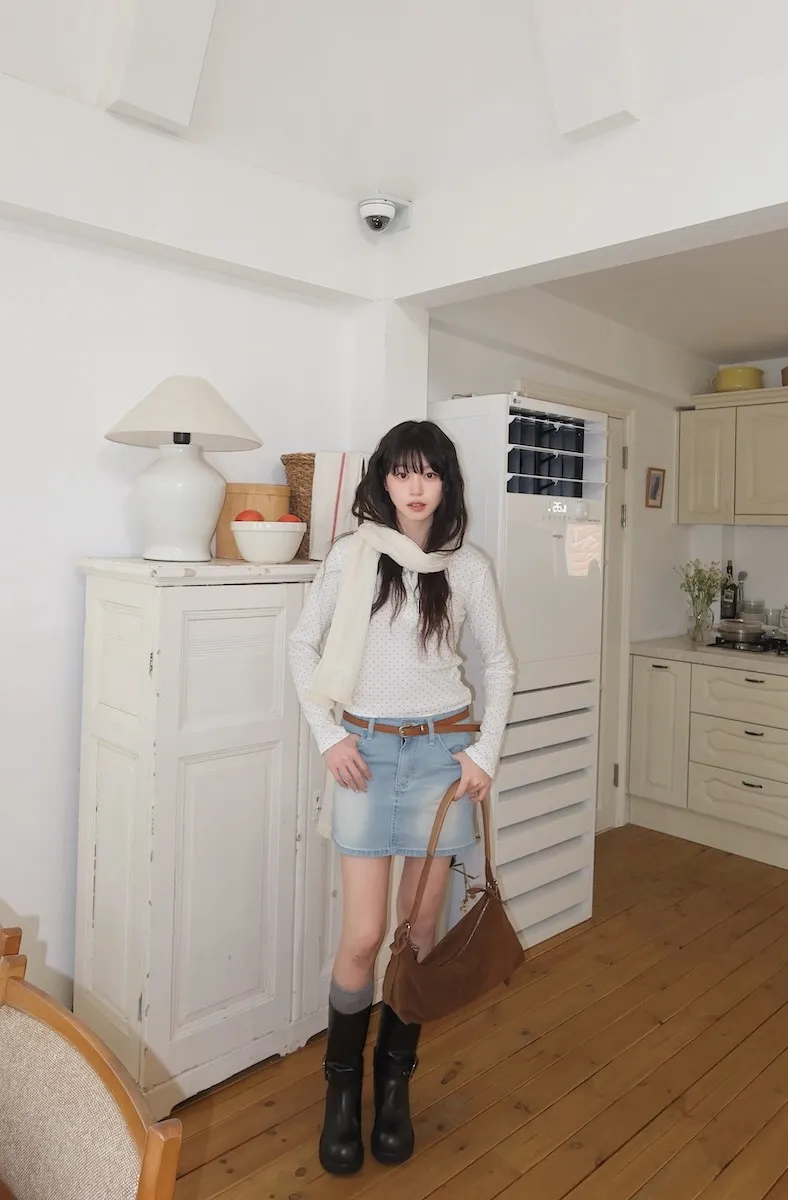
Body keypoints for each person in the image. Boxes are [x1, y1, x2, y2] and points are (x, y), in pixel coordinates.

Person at [288, 419, 515, 1175]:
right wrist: (329, 737)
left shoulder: (467, 566)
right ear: (383, 480)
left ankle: (394, 1087)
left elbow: (499, 665)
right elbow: (301, 645)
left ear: (447, 483)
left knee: (419, 932)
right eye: (402, 472)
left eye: (430, 473)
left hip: (442, 758)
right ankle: (340, 1095)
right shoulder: (353, 555)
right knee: (361, 937)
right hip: (366, 756)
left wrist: (482, 753)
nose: (416, 488)